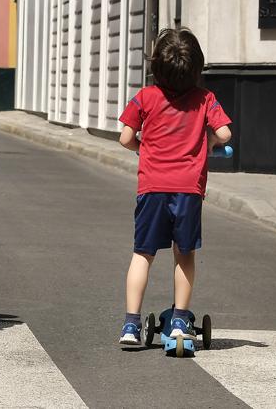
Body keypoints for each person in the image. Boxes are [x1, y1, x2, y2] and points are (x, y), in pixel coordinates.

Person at [116, 28, 232, 345]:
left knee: (143, 254)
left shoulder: (145, 97)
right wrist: (206, 141)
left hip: (152, 187)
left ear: (157, 66)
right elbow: (224, 135)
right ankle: (180, 320)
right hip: (188, 190)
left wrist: (143, 147)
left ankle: (130, 325)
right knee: (184, 254)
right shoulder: (205, 99)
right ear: (196, 68)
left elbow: (126, 137)